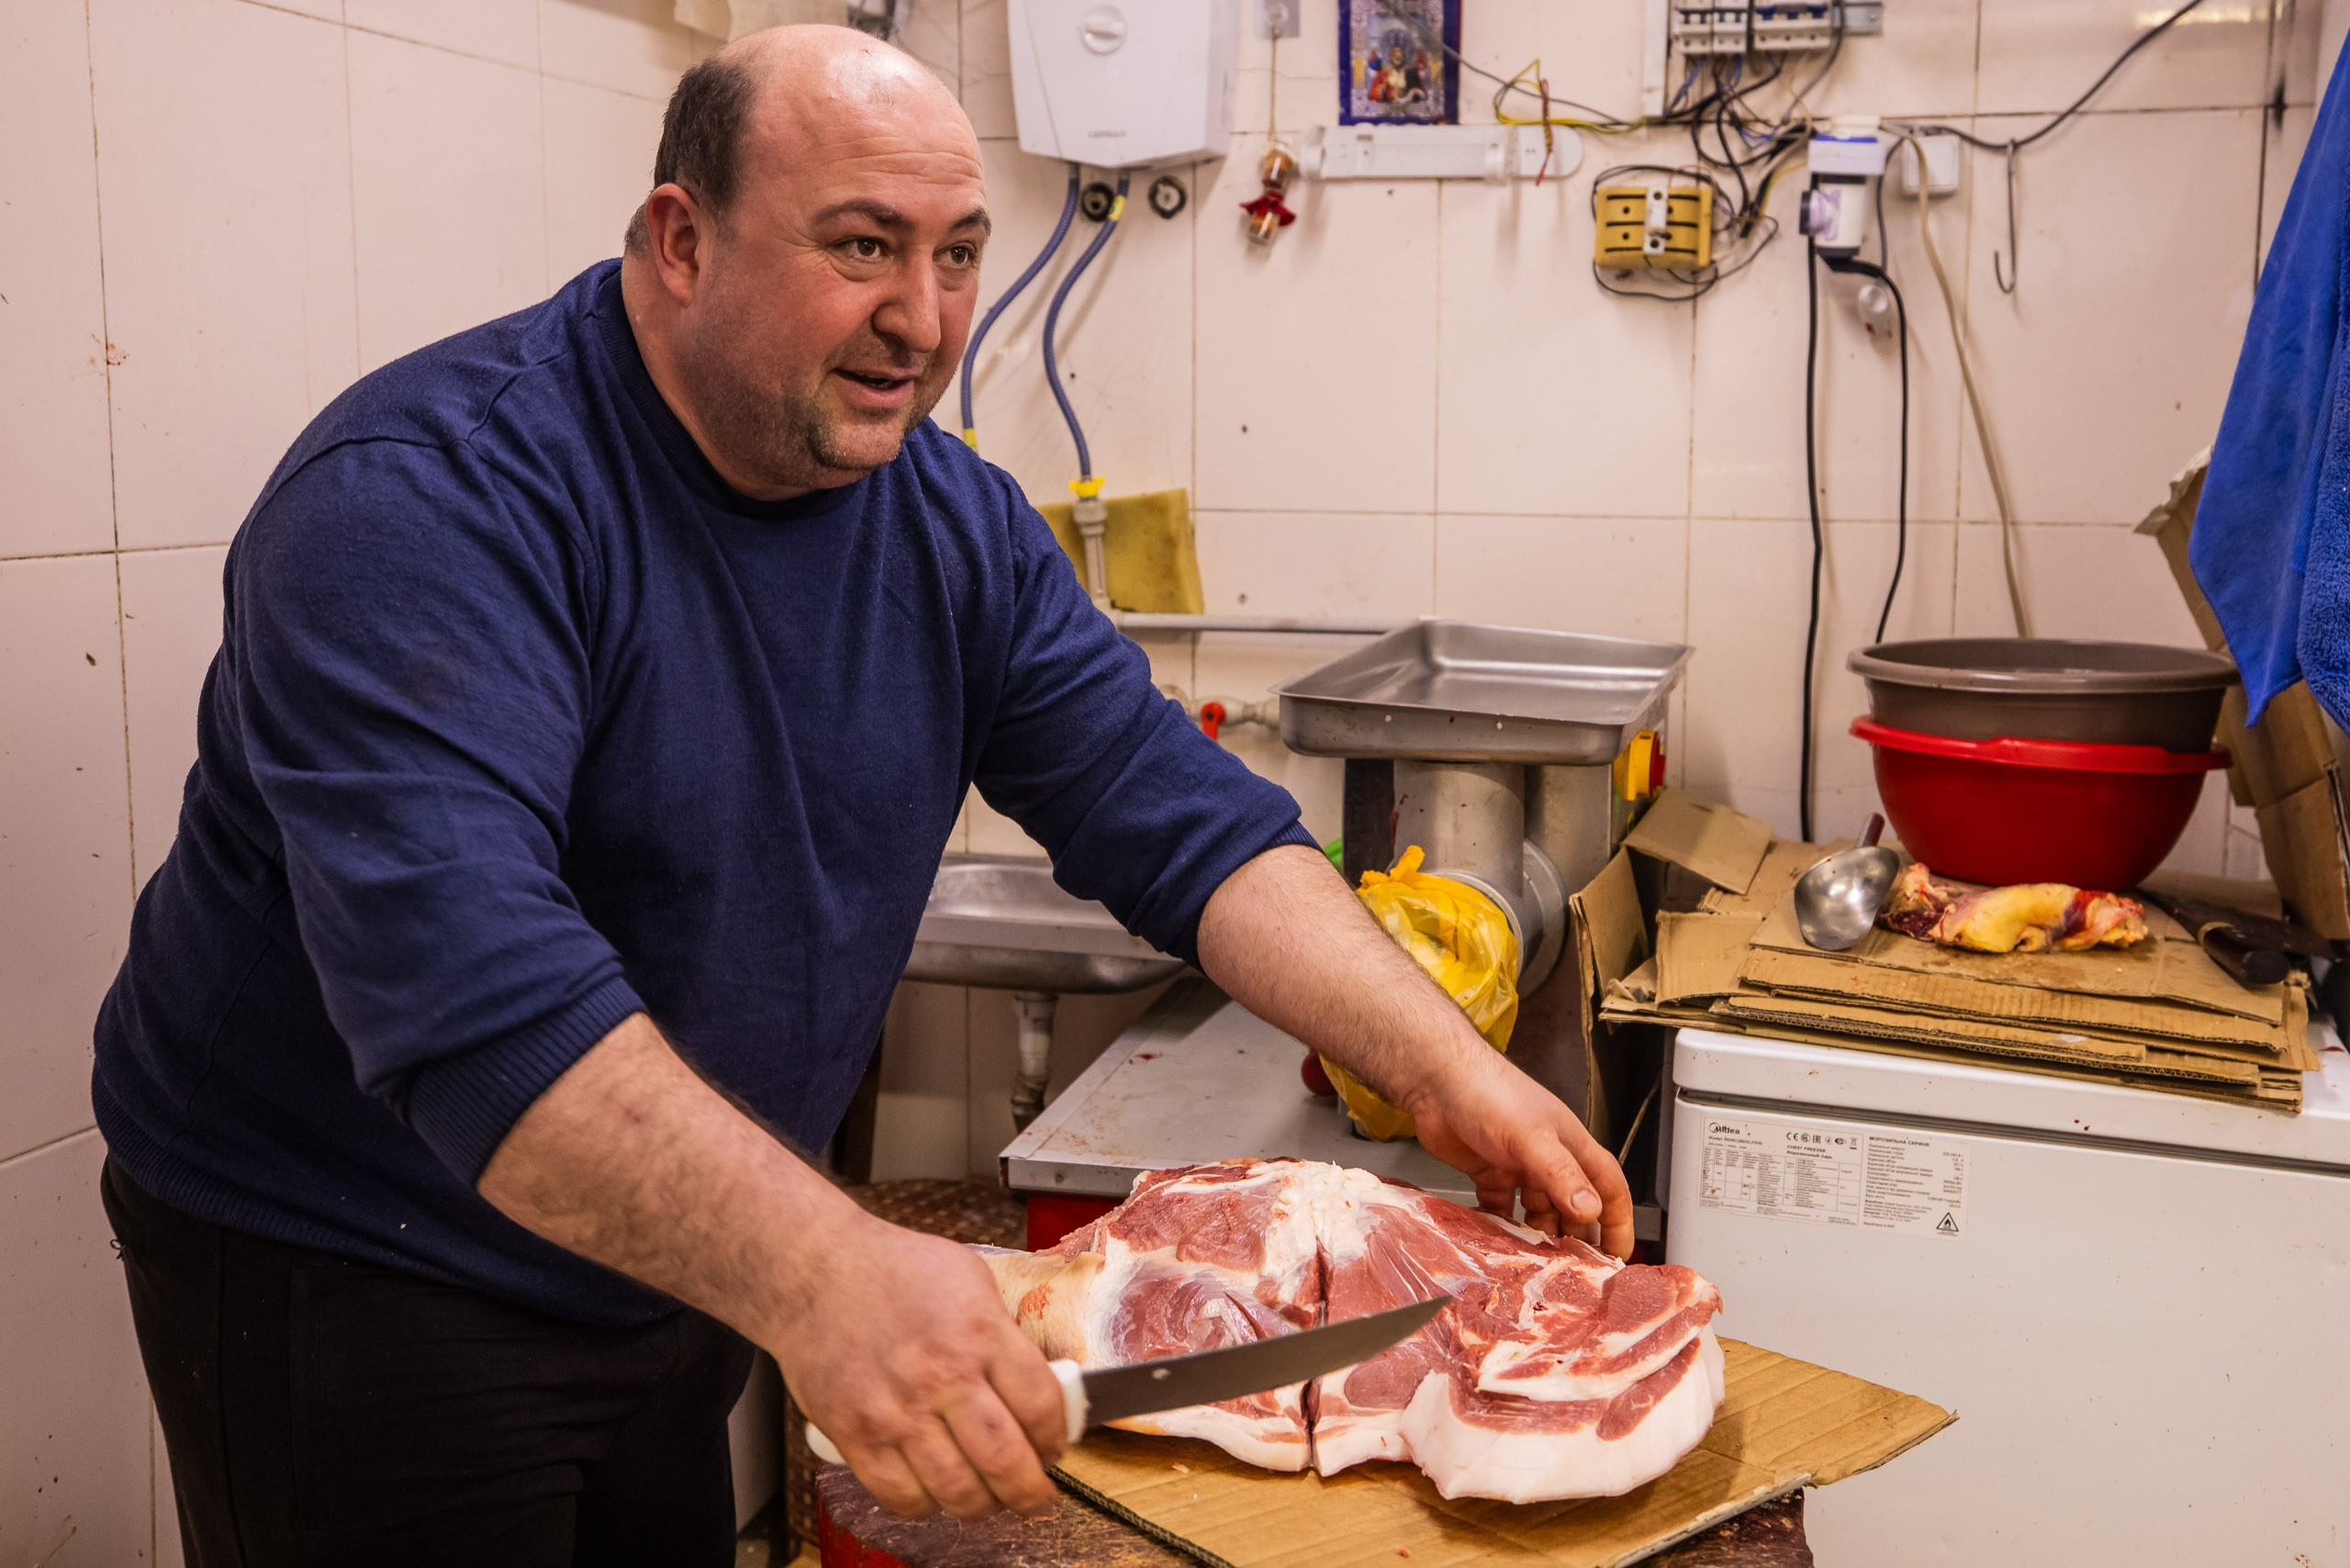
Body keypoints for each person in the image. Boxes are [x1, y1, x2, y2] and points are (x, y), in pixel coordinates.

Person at [91, 25, 1631, 1567]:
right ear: (681, 239)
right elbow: (477, 1006)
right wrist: (826, 1272)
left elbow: (1177, 813)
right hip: (360, 1266)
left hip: (668, 1245)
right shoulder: (427, 502)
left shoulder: (944, 523)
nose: (924, 317)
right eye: (861, 247)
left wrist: (1437, 1065)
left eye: (958, 252)